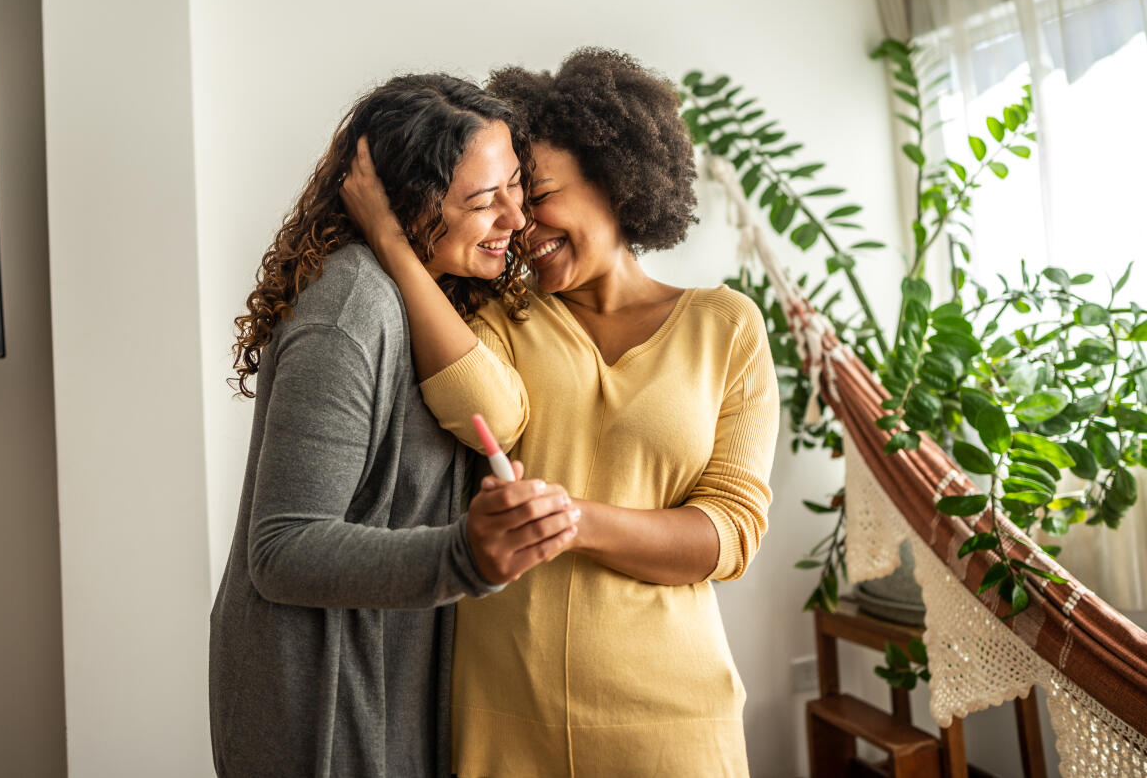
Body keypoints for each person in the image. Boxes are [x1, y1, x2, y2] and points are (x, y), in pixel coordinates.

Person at [342, 49, 780, 776]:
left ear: (614, 178)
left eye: (535, 192)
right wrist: (394, 245)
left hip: (672, 720)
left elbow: (728, 535)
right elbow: (483, 410)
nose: (518, 223)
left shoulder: (726, 327)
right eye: (504, 200)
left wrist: (569, 518)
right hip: (506, 718)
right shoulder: (503, 314)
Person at [208, 73, 581, 778]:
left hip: (379, 682)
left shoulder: (432, 295)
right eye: (481, 201)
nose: (516, 219)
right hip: (315, 706)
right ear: (408, 206)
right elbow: (281, 548)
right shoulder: (351, 310)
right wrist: (466, 554)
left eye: (515, 187)